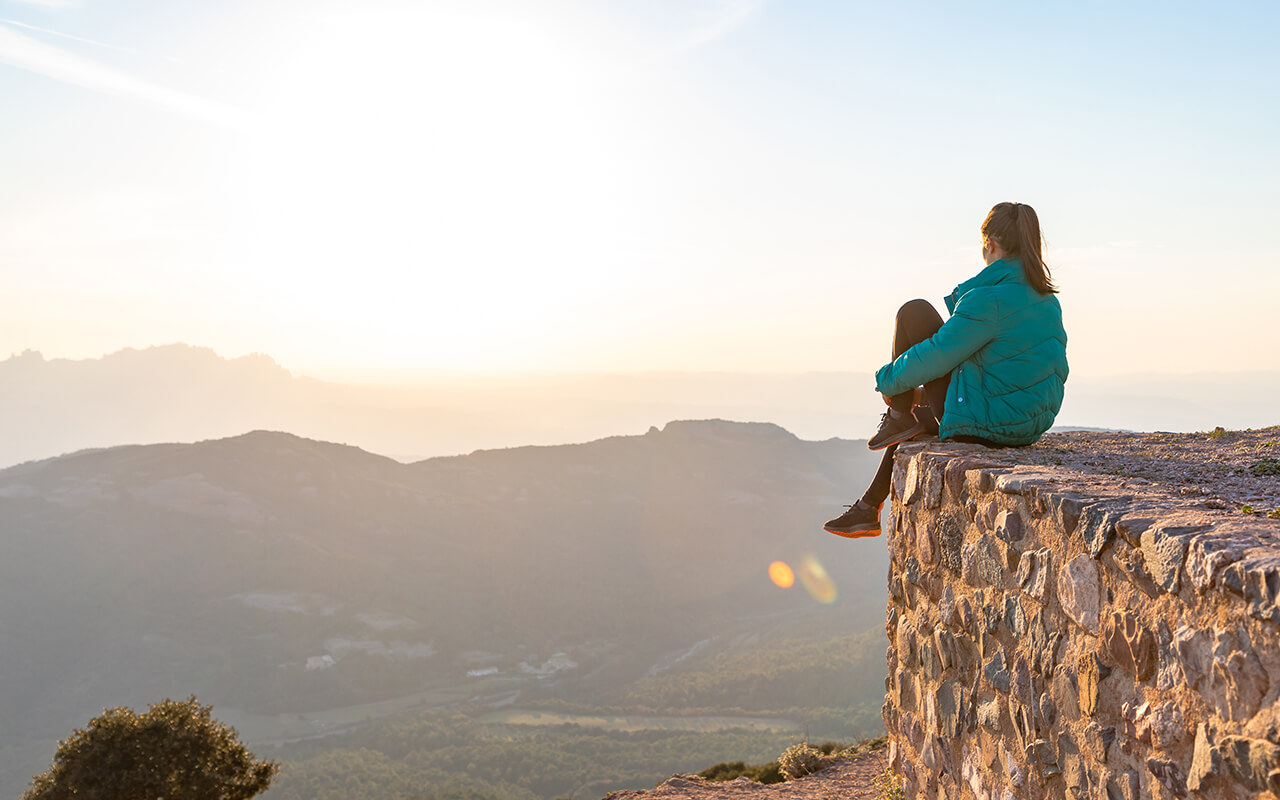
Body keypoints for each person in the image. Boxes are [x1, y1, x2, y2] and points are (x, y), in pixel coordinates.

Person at [824, 202, 1068, 537]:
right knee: (920, 419)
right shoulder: (1045, 298)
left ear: (991, 244)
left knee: (915, 313)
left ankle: (897, 414)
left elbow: (937, 355)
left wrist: (890, 383)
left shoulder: (989, 299)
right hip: (1027, 421)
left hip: (993, 423)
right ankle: (869, 507)